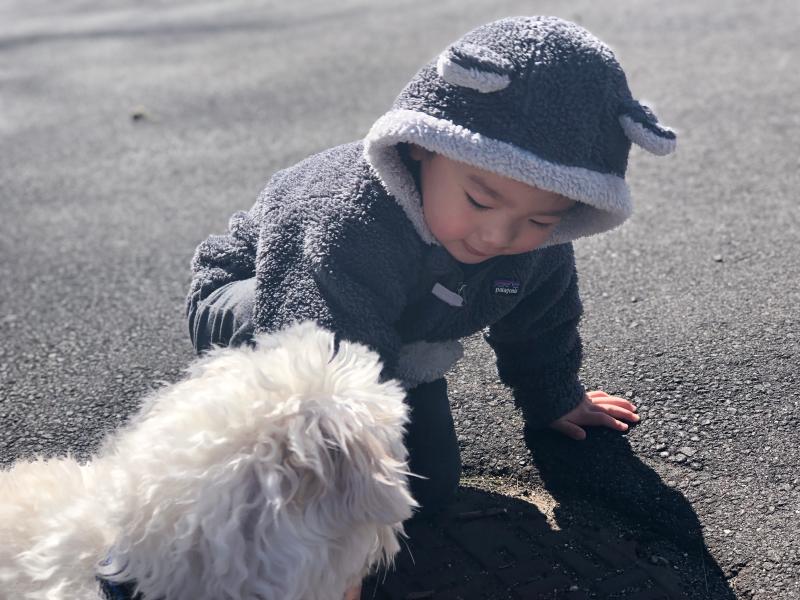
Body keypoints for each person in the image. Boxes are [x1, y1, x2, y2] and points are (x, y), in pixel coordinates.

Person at [187, 15, 676, 599]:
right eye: (479, 200)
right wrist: (343, 532)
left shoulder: (533, 243)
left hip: (397, 334)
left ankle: (387, 374)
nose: (499, 235)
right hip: (262, 297)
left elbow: (542, 322)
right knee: (329, 453)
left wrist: (554, 396)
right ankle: (235, 431)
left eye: (540, 218)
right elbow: (319, 360)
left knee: (427, 489)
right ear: (422, 147)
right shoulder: (345, 218)